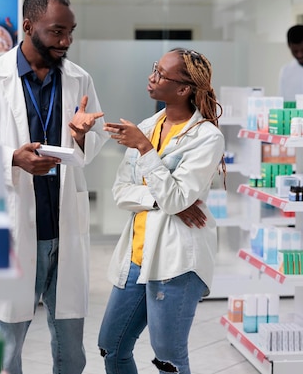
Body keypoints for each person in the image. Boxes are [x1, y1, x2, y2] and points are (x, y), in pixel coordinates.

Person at [0, 0, 107, 374]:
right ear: (28, 25)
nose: (66, 41)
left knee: (71, 347)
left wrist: (81, 134)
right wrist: (12, 158)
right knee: (8, 345)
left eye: (70, 32)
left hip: (65, 228)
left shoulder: (79, 79)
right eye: (57, 31)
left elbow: (94, 139)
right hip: (17, 227)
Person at [98, 48, 225, 374]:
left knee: (168, 359)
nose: (151, 77)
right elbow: (121, 191)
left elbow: (177, 198)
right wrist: (165, 202)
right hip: (137, 255)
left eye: (160, 74)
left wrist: (144, 148)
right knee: (111, 347)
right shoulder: (147, 125)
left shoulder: (207, 137)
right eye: (154, 68)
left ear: (183, 89)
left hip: (176, 262)